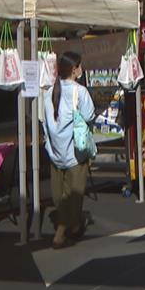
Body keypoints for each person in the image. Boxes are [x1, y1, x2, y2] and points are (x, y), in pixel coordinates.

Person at [43, 51, 97, 248]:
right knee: (72, 195)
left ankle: (73, 227)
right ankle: (60, 235)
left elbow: (45, 123)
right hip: (75, 152)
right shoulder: (79, 91)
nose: (81, 70)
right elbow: (90, 115)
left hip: (55, 152)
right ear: (74, 70)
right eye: (80, 66)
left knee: (60, 195)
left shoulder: (49, 92)